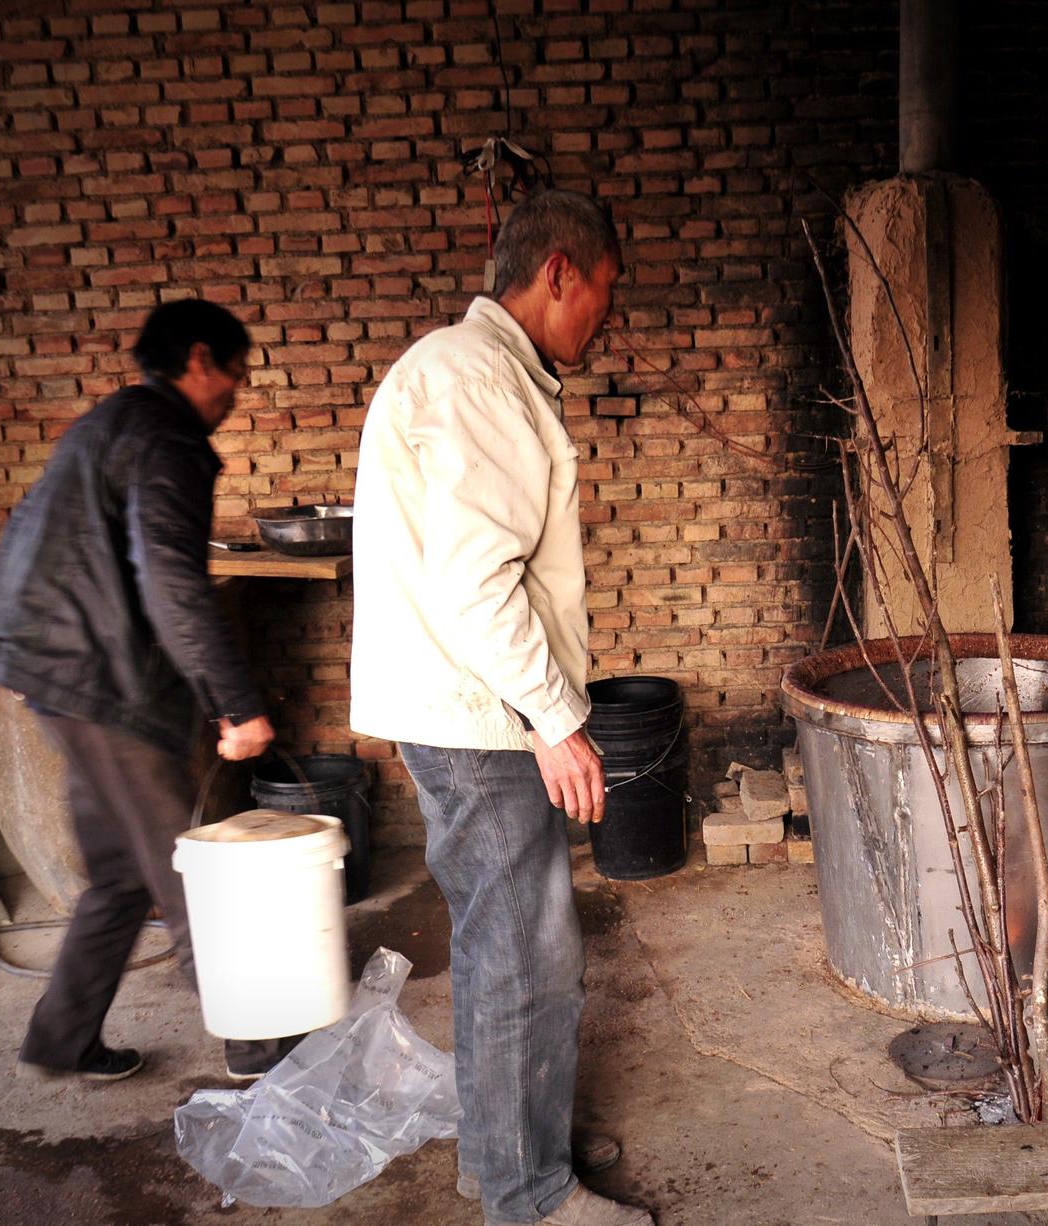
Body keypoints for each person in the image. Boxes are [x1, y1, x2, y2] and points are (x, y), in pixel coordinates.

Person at [349, 190, 647, 1226]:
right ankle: (532, 1197)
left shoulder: (467, 369)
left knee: (494, 944)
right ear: (558, 270)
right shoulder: (479, 381)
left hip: (463, 705)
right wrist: (556, 719)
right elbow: (480, 585)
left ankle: (502, 1152)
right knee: (529, 952)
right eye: (600, 294)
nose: (601, 317)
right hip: (479, 714)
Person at [0, 299, 286, 1083]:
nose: (236, 395)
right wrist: (236, 703)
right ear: (201, 359)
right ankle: (259, 1050)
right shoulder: (167, 439)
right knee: (189, 871)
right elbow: (173, 583)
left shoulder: (105, 424)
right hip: (105, 683)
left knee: (117, 871)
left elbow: (27, 522)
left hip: (58, 676)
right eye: (237, 375)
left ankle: (61, 1039)